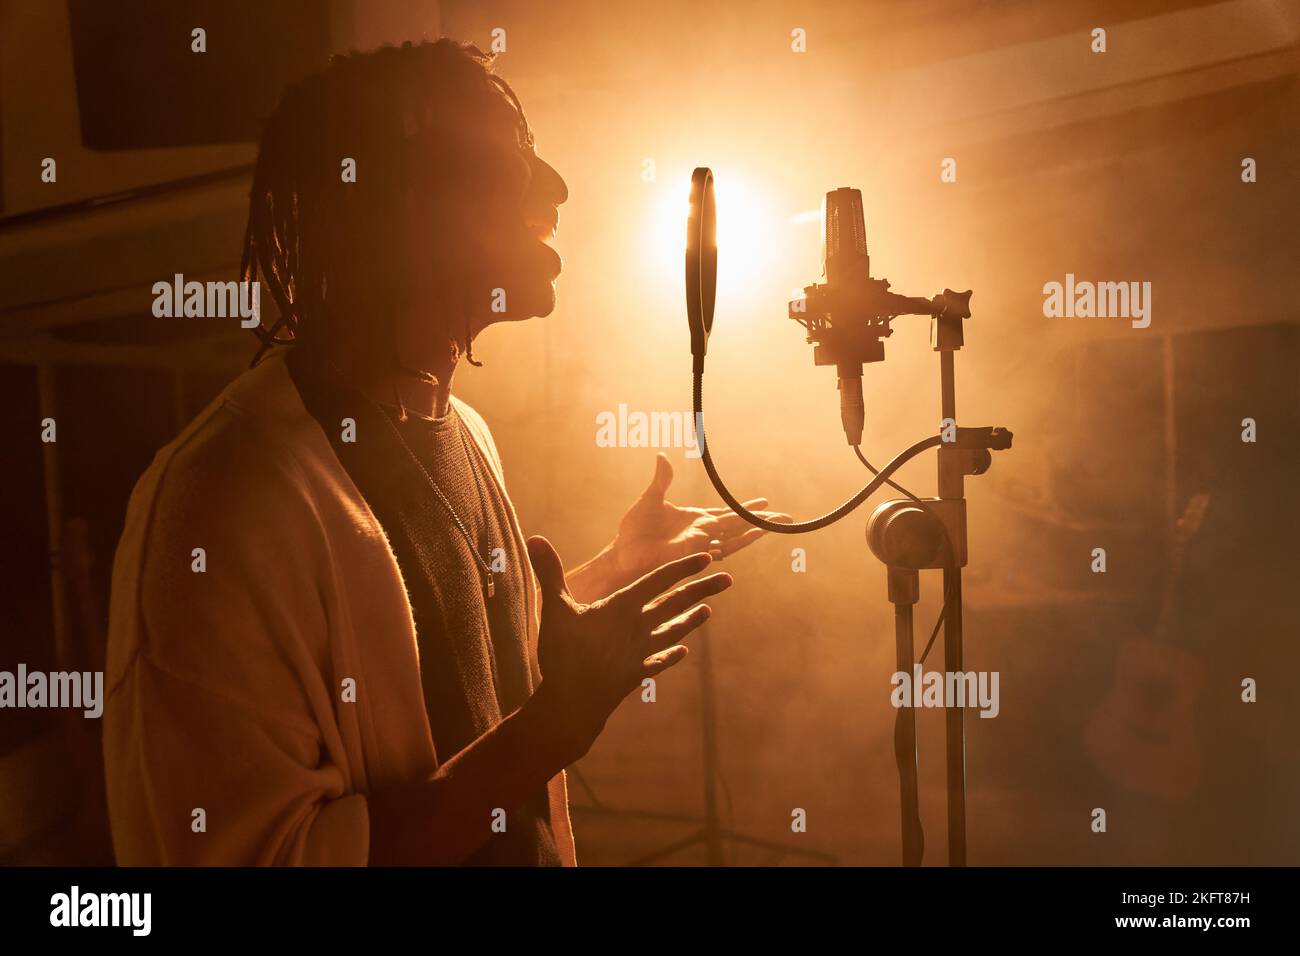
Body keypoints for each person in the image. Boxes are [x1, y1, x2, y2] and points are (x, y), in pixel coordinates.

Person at [103, 39, 784, 866]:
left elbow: (461, 674)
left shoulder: (463, 431)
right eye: (510, 162)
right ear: (407, 203)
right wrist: (554, 730)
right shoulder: (223, 500)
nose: (555, 188)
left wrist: (610, 576)